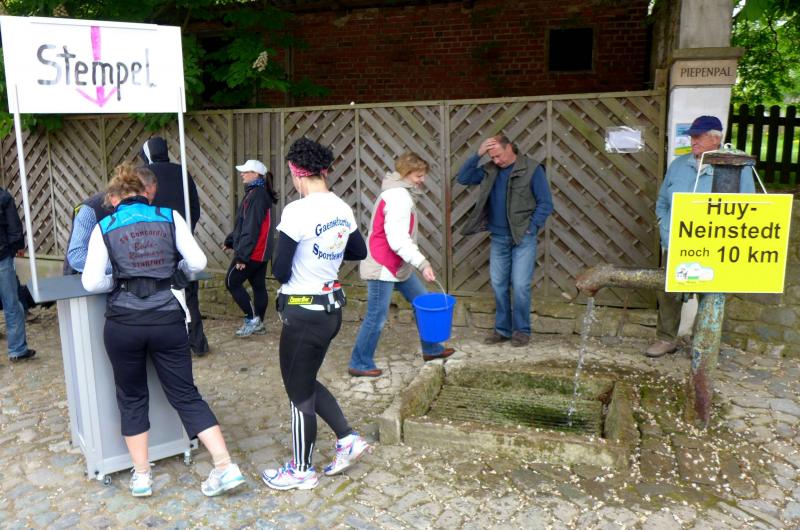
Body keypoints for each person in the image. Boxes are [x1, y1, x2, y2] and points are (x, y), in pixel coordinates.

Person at [82, 163, 245, 498]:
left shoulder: (105, 226)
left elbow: (91, 282)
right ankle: (225, 465)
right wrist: (175, 273)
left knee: (131, 397)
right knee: (186, 394)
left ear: (115, 196)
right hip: (167, 318)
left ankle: (142, 476)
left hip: (124, 323)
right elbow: (198, 263)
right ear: (144, 192)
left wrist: (119, 281)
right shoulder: (170, 217)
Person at [261, 137, 370, 491]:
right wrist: (326, 251)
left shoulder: (297, 211)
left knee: (297, 389)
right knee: (305, 379)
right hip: (330, 309)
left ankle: (301, 470)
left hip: (303, 310)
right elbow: (358, 249)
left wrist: (303, 255)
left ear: (296, 173)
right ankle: (347, 439)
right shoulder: (341, 208)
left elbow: (280, 270)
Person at [648, 115, 756, 357]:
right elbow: (662, 202)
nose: (693, 141)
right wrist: (666, 230)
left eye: (699, 136)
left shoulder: (736, 167)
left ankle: (702, 342)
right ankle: (665, 339)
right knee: (668, 292)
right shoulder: (679, 164)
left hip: (713, 246)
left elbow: (748, 207)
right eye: (692, 136)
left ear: (716, 139)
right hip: (676, 242)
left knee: (710, 292)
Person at [348, 152, 455, 377]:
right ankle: (360, 362)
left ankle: (432, 349)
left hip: (397, 265)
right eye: (418, 175)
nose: (422, 180)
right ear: (406, 173)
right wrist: (423, 263)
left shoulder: (399, 192)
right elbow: (398, 240)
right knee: (376, 317)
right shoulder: (398, 197)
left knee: (422, 301)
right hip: (383, 266)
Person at [456, 134, 553, 347]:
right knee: (499, 285)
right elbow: (463, 178)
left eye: (498, 155)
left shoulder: (532, 169)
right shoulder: (490, 169)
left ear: (509, 147)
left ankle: (521, 331)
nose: (496, 160)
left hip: (523, 237)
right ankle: (502, 330)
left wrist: (531, 228)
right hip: (499, 237)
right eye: (492, 156)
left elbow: (546, 203)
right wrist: (478, 154)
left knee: (520, 285)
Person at [140, 136, 209, 356]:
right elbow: (194, 208)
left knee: (158, 295)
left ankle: (169, 345)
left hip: (154, 244)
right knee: (189, 292)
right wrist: (187, 231)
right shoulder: (182, 172)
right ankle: (197, 342)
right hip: (182, 240)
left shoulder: (142, 176)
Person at [223, 159, 276, 337]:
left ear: (256, 174)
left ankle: (252, 320)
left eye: (246, 171)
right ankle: (258, 324)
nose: (242, 174)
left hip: (253, 252)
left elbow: (251, 227)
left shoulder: (257, 195)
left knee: (231, 282)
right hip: (260, 252)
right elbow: (243, 222)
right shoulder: (256, 192)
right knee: (258, 286)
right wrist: (231, 241)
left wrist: (242, 256)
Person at [64, 175, 157, 274]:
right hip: (86, 278)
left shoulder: (144, 212)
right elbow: (77, 256)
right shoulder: (90, 211)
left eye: (149, 200)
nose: (146, 205)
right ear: (113, 198)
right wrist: (120, 267)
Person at [0, 186, 35, 362]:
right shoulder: (4, 197)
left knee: (12, 304)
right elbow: (14, 227)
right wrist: (17, 246)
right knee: (11, 305)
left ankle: (18, 349)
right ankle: (17, 350)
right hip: (2, 257)